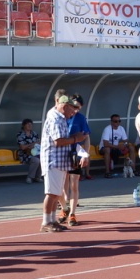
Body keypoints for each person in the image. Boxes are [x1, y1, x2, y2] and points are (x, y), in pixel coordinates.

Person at [39, 94, 87, 232]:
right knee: (51, 193)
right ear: (65, 106)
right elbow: (58, 141)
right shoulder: (55, 118)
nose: (73, 112)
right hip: (53, 161)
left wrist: (75, 140)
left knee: (56, 193)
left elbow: (62, 139)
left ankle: (52, 220)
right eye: (72, 109)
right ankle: (46, 222)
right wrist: (75, 139)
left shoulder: (61, 118)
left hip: (60, 161)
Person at [60, 94, 90, 226]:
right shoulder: (62, 117)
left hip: (75, 154)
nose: (75, 110)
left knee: (74, 184)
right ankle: (64, 208)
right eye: (74, 106)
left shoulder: (81, 118)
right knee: (63, 184)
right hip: (62, 153)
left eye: (78, 107)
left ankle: (72, 213)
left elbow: (86, 137)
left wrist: (85, 155)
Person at [100, 114, 135, 178]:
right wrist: (118, 147)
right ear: (111, 122)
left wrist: (125, 145)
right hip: (105, 148)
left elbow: (126, 140)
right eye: (115, 121)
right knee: (107, 149)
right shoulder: (107, 129)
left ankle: (133, 169)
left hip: (116, 148)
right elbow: (106, 144)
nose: (118, 123)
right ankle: (107, 172)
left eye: (119, 121)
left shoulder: (121, 128)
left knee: (131, 147)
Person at [17, 119, 41, 184]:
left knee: (42, 159)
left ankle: (38, 177)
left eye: (31, 124)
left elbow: (39, 142)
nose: (30, 125)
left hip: (36, 152)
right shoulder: (20, 135)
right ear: (24, 125)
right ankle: (30, 177)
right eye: (28, 124)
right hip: (24, 154)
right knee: (36, 160)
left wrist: (31, 145)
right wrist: (33, 144)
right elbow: (22, 147)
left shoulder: (34, 133)